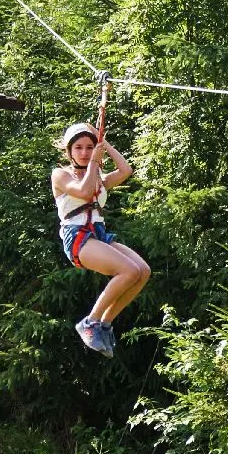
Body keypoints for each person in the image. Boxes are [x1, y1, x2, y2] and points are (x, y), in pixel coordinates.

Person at [51, 122, 149, 357]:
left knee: (142, 271)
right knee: (128, 271)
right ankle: (90, 322)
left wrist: (104, 143)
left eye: (89, 147)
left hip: (98, 235)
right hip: (77, 237)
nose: (85, 153)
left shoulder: (99, 178)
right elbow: (84, 192)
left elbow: (125, 170)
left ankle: (104, 324)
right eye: (78, 148)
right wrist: (95, 161)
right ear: (69, 151)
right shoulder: (61, 175)